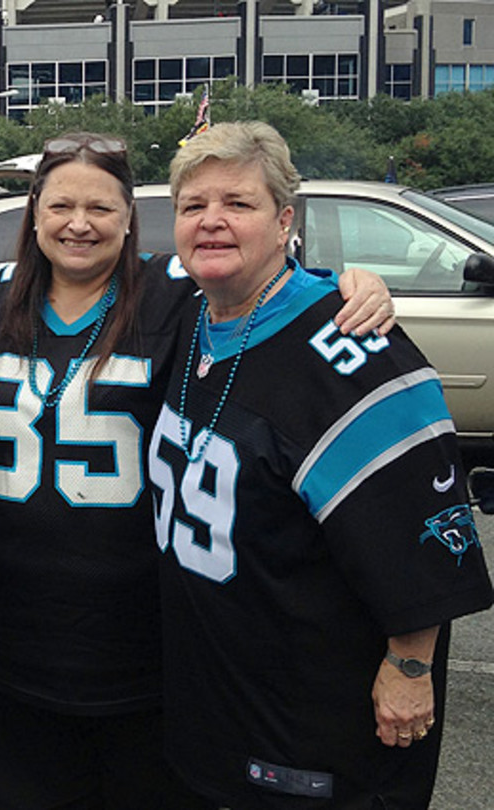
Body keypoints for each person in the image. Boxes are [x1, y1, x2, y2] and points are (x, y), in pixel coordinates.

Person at [0, 132, 395, 809]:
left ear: (130, 218)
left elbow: (271, 287)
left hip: (147, 633)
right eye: (61, 206)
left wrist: (356, 284)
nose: (80, 224)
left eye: (102, 208)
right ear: (34, 212)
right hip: (18, 630)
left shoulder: (174, 293)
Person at [150, 120, 494, 808]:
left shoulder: (352, 350)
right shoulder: (191, 319)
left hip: (312, 719)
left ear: (284, 222)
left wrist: (409, 665)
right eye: (193, 206)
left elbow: (423, 542)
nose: (212, 222)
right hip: (216, 701)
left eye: (238, 205)